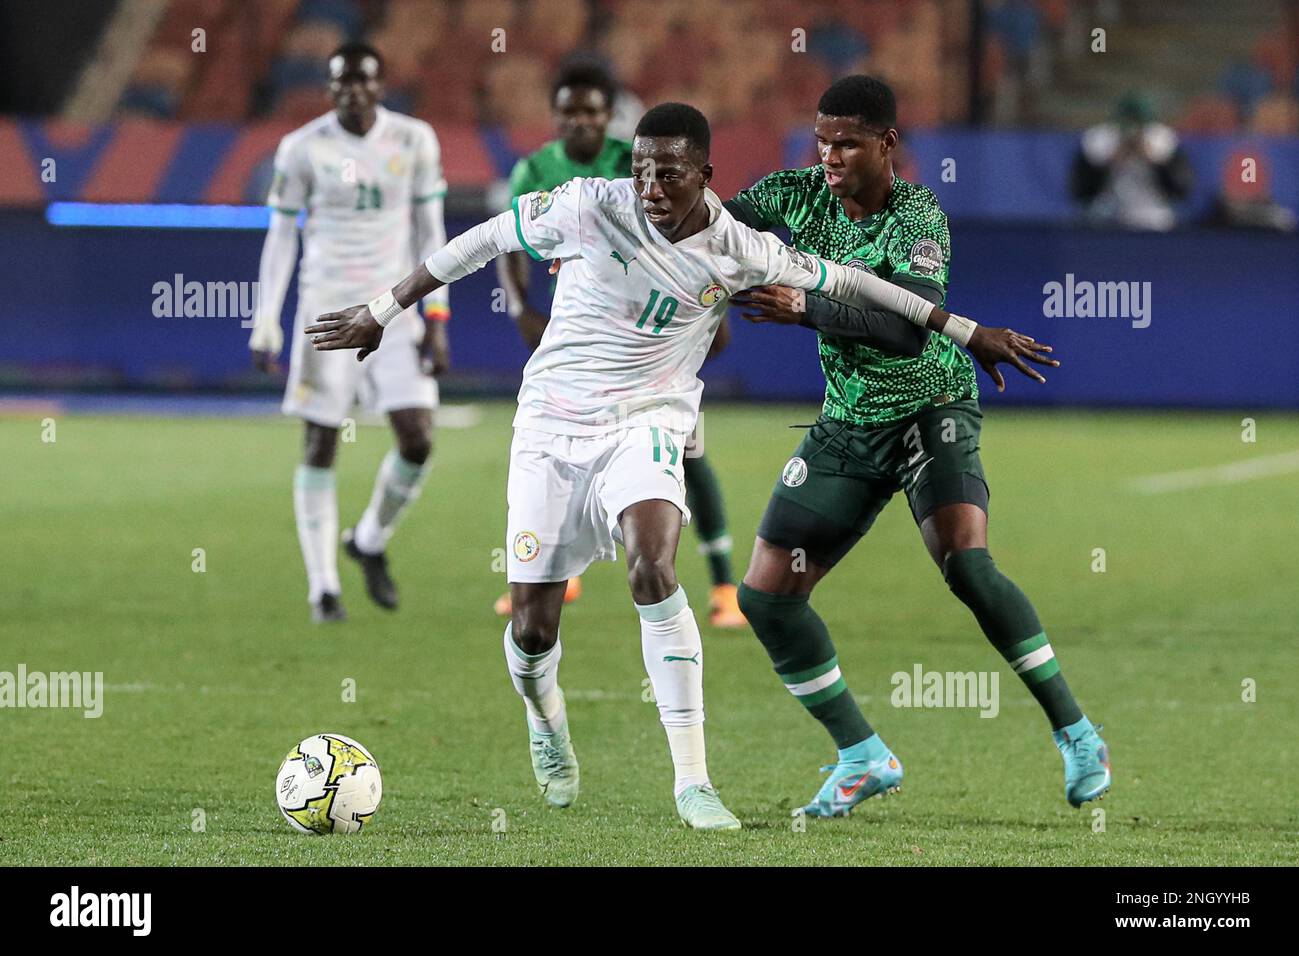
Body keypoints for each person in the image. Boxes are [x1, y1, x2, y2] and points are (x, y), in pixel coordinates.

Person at [305, 102, 1028, 828]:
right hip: (553, 424)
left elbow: (855, 283)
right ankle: (545, 717)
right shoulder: (589, 205)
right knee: (532, 629)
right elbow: (483, 240)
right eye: (643, 170)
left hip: (648, 422)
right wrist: (382, 309)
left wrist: (966, 331)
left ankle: (693, 782)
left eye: (670, 173)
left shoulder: (741, 247)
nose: (651, 187)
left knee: (652, 567)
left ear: (705, 176)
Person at [725, 74, 1109, 818]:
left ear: (887, 143)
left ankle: (1077, 731)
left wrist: (805, 307)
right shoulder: (795, 192)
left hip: (930, 405)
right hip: (848, 420)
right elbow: (716, 225)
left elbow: (906, 328)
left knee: (965, 564)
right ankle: (862, 754)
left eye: (847, 142)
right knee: (766, 597)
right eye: (823, 139)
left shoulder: (918, 217)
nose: (830, 154)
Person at [496, 60, 747, 628]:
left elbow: (699, 230)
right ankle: (553, 571)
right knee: (555, 438)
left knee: (690, 453)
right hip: (587, 334)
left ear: (610, 117)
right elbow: (511, 242)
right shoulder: (533, 169)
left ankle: (725, 584)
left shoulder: (633, 162)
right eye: (569, 112)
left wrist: (713, 311)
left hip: (659, 340)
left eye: (591, 111)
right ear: (556, 116)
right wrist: (520, 306)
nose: (580, 121)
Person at [248, 42, 450, 622]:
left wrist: (438, 317)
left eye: (363, 82)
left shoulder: (414, 139)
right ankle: (323, 588)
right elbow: (281, 235)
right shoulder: (302, 148)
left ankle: (367, 540)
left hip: (396, 306)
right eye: (340, 83)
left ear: (381, 86)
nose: (352, 92)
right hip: (326, 309)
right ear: (329, 88)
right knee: (320, 441)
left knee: (418, 438)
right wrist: (266, 320)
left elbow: (431, 231)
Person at [1071, 91, 1192, 231]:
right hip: (1108, 214)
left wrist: (1157, 163)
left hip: (1152, 214)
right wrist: (1107, 164)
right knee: (1096, 216)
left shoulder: (1162, 141)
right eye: (1127, 125)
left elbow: (1180, 191)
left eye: (1138, 126)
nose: (1132, 132)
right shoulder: (1099, 140)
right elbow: (1080, 192)